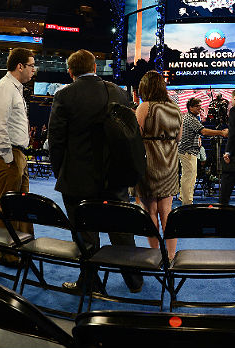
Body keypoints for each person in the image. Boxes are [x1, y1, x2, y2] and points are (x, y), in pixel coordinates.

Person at [48, 49, 143, 293]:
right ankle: (134, 279)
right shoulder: (119, 93)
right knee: (121, 229)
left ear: (71, 72)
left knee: (85, 235)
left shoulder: (65, 95)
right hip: (115, 177)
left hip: (77, 179)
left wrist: (61, 172)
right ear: (95, 68)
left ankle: (90, 283)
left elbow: (56, 140)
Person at [0, 48, 36, 268]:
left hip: (17, 153)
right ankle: (7, 254)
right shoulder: (4, 88)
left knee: (21, 204)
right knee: (8, 205)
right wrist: (7, 157)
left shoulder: (15, 89)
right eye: (32, 65)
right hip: (7, 153)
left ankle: (24, 247)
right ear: (20, 66)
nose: (35, 69)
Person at [135, 71, 183, 260]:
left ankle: (155, 255)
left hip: (149, 163)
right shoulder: (175, 108)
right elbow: (178, 137)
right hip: (170, 164)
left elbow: (136, 136)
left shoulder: (144, 107)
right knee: (167, 212)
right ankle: (171, 256)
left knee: (150, 212)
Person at [178, 98, 228, 205]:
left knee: (188, 176)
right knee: (189, 177)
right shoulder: (190, 118)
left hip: (189, 151)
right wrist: (221, 133)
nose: (200, 107)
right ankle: (187, 202)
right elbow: (204, 132)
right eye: (197, 106)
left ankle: (184, 197)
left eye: (200, 105)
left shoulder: (192, 117)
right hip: (188, 151)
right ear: (190, 108)